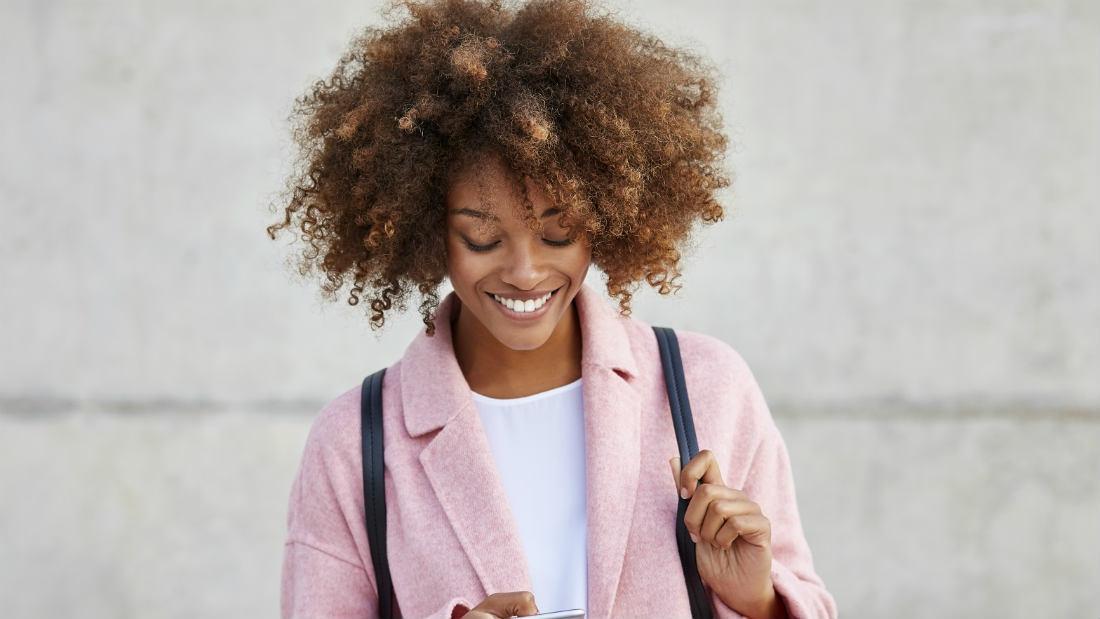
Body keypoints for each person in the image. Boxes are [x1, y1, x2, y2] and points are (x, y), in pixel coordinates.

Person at [268, 1, 838, 617]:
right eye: (482, 238)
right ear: (425, 230)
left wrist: (758, 601)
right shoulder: (354, 444)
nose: (524, 272)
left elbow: (803, 598)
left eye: (558, 233)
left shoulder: (707, 390)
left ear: (606, 221)